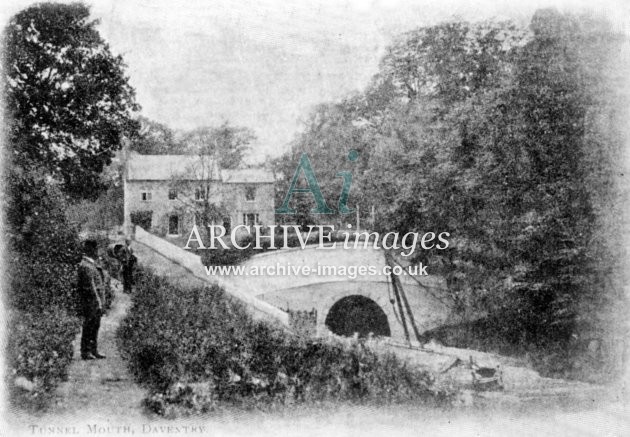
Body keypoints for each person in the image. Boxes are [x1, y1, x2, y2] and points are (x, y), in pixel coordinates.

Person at [76, 239, 106, 360]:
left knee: (95, 325)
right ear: (90, 250)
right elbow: (90, 287)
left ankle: (93, 350)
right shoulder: (86, 266)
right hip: (90, 302)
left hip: (94, 301)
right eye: (95, 249)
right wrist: (99, 301)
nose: (97, 252)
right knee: (89, 326)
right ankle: (86, 351)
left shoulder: (91, 264)